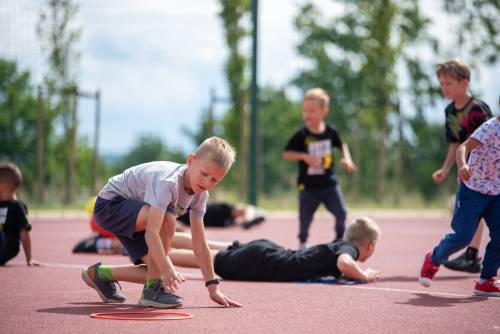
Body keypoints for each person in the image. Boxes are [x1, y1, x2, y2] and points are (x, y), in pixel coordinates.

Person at [82, 136, 242, 308]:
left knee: (155, 270)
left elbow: (199, 242)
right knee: (167, 224)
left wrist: (213, 288)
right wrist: (166, 268)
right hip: (109, 206)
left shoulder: (201, 195)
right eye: (204, 174)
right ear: (190, 161)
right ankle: (152, 292)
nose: (207, 182)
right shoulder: (169, 183)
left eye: (215, 180)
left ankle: (99, 274)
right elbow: (152, 232)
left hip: (137, 214)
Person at [419, 115, 500, 297]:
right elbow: (462, 148)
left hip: (495, 192)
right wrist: (463, 166)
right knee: (463, 237)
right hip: (472, 189)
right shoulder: (490, 128)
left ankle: (486, 280)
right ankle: (434, 258)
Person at [170, 217, 380, 283]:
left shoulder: (339, 243)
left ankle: (165, 237)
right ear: (369, 245)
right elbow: (344, 263)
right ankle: (155, 254)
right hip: (267, 261)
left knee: (207, 245)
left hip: (268, 251)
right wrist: (364, 276)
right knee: (205, 257)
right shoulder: (349, 249)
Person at [431, 58, 492, 273]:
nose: (444, 87)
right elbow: (455, 143)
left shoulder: (478, 109)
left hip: (486, 169)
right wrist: (446, 168)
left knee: (481, 209)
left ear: (464, 83)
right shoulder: (450, 111)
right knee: (468, 211)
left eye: (449, 83)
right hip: (467, 169)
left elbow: (492, 137)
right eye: (441, 83)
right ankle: (471, 255)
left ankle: (472, 255)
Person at [283, 87, 356, 250]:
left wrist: (347, 158)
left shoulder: (330, 132)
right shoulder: (301, 135)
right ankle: (303, 243)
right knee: (305, 218)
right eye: (305, 111)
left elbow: (342, 144)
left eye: (312, 111)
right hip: (308, 187)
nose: (307, 115)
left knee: (341, 213)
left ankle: (339, 241)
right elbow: (286, 154)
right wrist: (304, 156)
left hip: (329, 184)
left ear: (324, 111)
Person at [0, 162, 40, 266]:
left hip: (8, 245)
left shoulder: (17, 206)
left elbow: (24, 233)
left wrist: (29, 259)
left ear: (3, 186)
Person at [177, 202, 265, 229]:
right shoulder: (177, 212)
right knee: (247, 208)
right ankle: (248, 219)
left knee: (245, 209)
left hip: (209, 215)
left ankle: (248, 219)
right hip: (212, 213)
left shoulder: (176, 211)